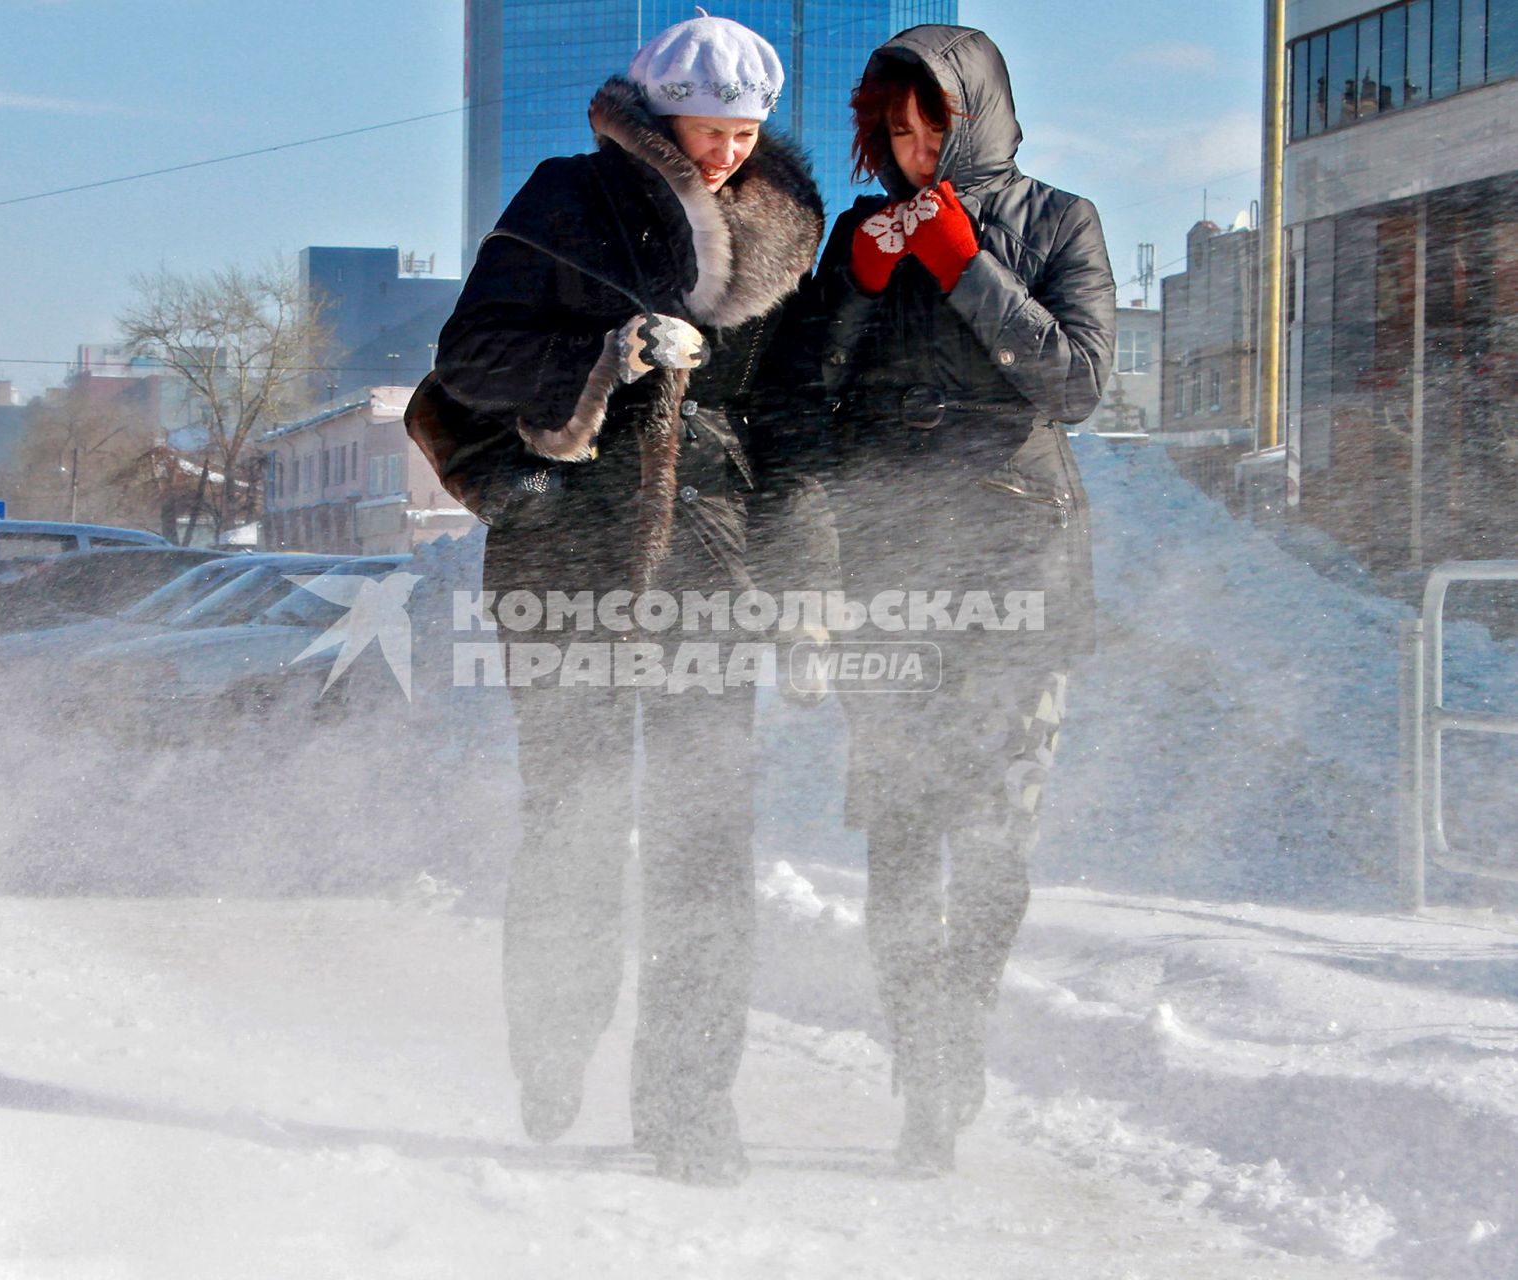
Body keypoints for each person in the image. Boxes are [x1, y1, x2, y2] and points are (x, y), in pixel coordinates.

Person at [407, 12, 827, 1185]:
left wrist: (802, 579)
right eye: (706, 132)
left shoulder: (788, 229)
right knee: (575, 825)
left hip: (709, 563)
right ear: (655, 119)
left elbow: (792, 421)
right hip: (569, 563)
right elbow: (469, 354)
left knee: (706, 845)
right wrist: (609, 352)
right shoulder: (566, 198)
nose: (726, 156)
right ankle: (551, 1047)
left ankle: (692, 1104)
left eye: (744, 134)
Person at [810, 25, 1114, 1175]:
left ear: (972, 109)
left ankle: (955, 1039)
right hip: (888, 569)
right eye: (887, 129)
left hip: (1017, 566)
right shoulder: (855, 233)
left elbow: (1077, 382)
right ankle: (917, 1056)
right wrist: (862, 285)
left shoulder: (1059, 221)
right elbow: (803, 385)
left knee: (992, 838)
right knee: (899, 833)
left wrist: (963, 266)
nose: (905, 148)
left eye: (924, 122)